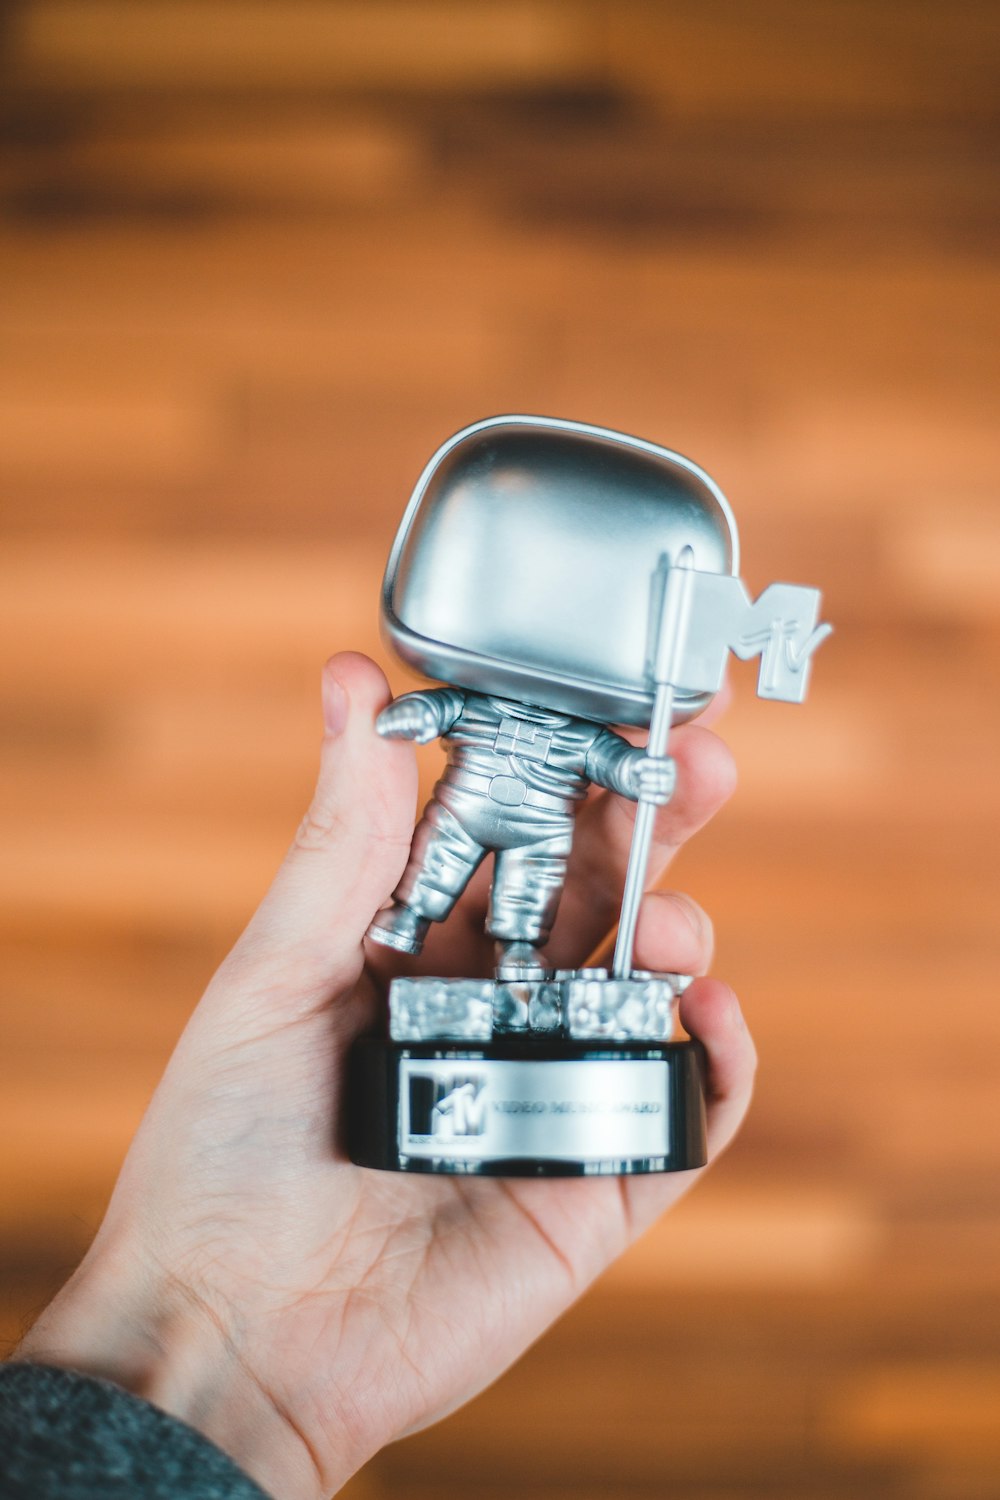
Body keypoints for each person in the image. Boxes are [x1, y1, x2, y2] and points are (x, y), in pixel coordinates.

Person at [2, 654, 756, 1499]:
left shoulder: (582, 730)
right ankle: (416, 917)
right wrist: (412, 721)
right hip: (469, 806)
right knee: (436, 866)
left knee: (527, 903)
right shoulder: (485, 699)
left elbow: (606, 759)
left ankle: (511, 954)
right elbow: (438, 712)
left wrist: (630, 767)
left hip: (542, 830)